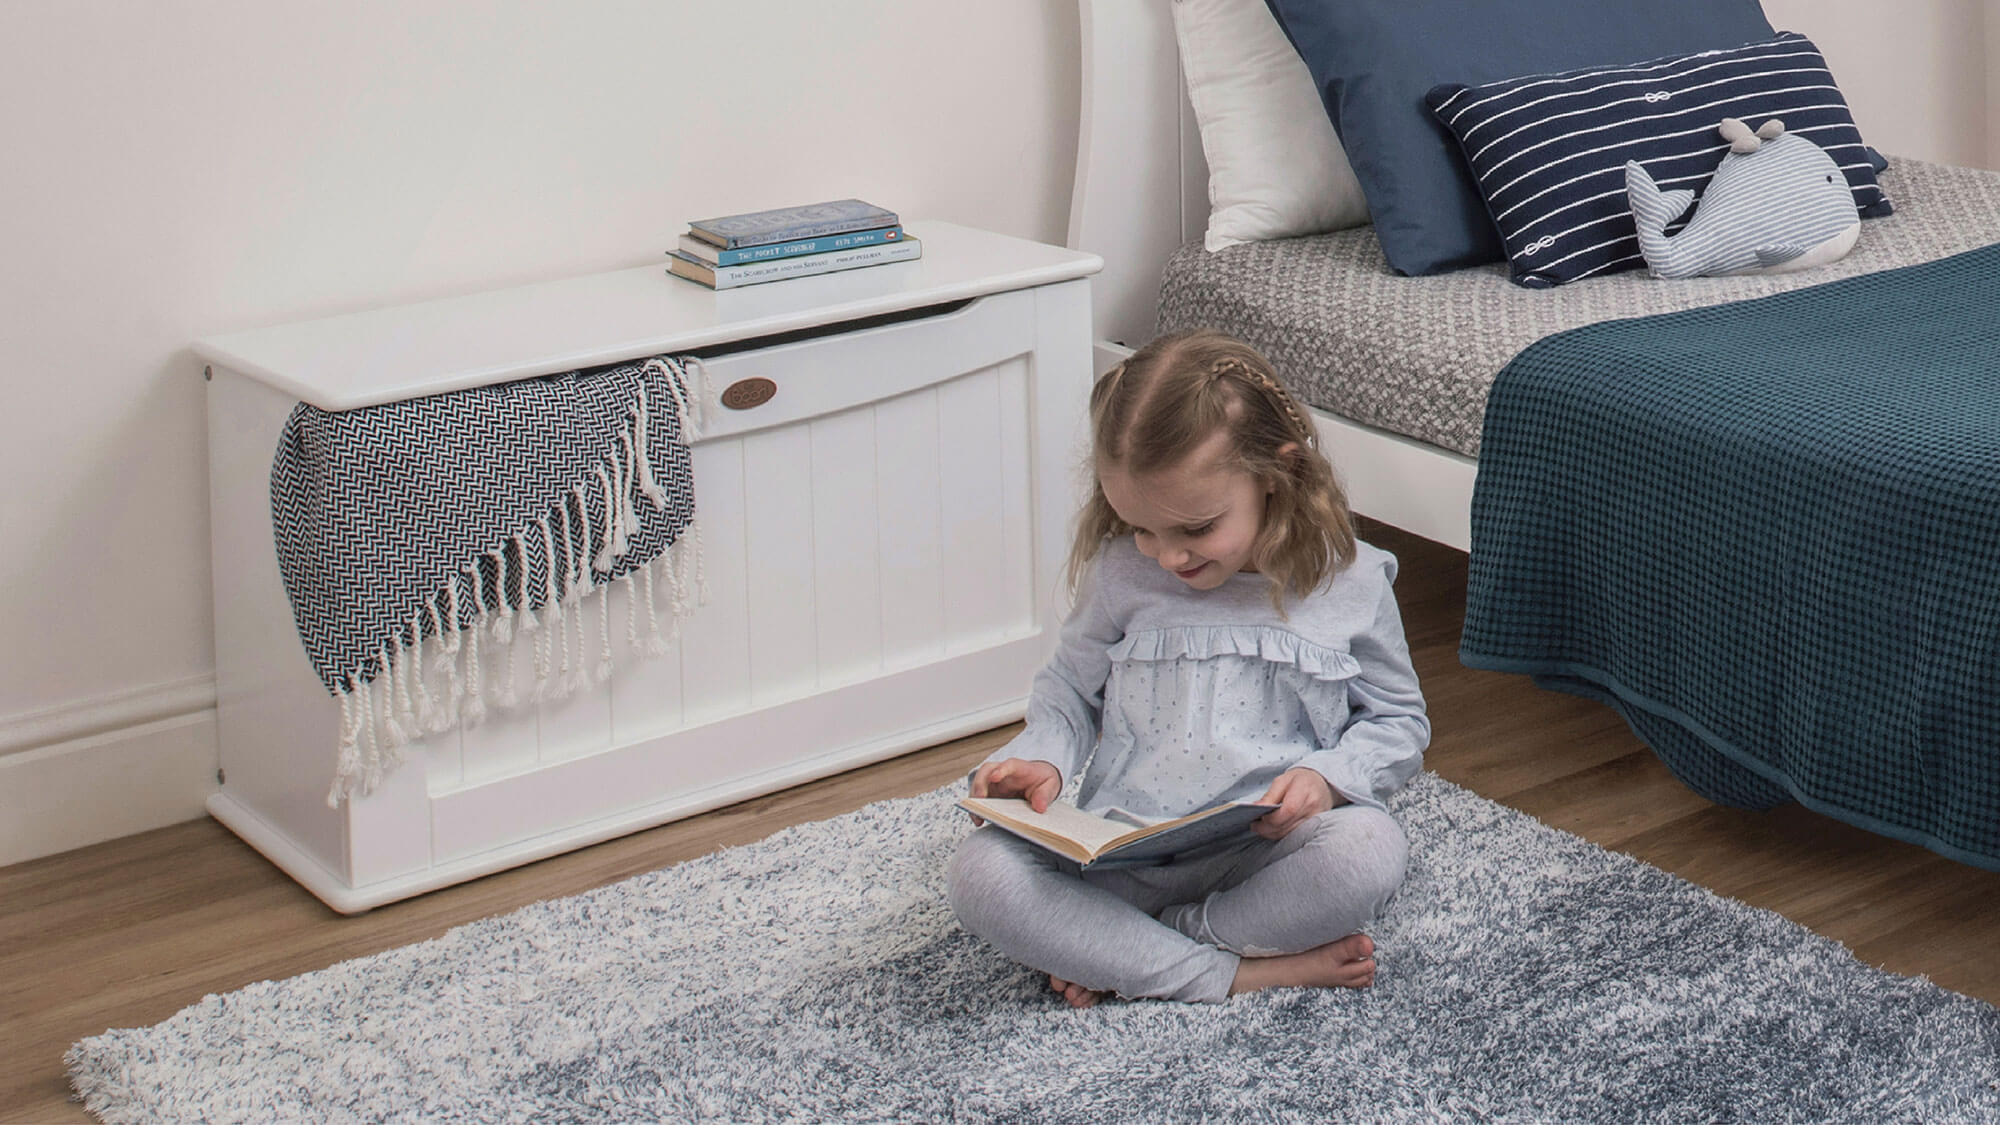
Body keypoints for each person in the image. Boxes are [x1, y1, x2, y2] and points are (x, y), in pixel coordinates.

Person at [946, 329, 1429, 1007]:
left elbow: (1398, 721)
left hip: (1261, 852)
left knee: (1370, 849)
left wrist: (1328, 778)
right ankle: (1235, 972)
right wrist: (1044, 760)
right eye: (1142, 527)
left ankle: (1136, 948)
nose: (1167, 555)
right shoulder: (1123, 574)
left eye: (1196, 528)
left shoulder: (1352, 582)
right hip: (1123, 846)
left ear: (1277, 473)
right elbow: (1066, 694)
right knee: (981, 872)